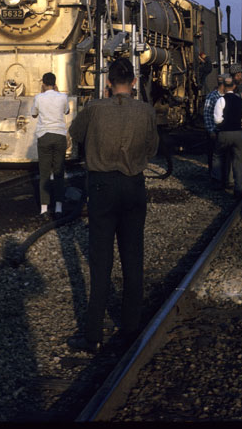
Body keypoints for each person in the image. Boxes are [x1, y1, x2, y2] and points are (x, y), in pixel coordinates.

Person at [67, 57, 158, 353]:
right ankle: (131, 327)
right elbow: (152, 148)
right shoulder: (146, 111)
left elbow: (75, 134)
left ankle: (93, 333)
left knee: (100, 260)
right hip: (133, 186)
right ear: (134, 82)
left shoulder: (94, 108)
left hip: (101, 187)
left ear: (108, 82)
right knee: (133, 257)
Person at [32, 71, 70, 217]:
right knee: (59, 172)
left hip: (44, 136)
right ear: (55, 84)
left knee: (44, 173)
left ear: (43, 83)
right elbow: (67, 111)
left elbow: (34, 114)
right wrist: (58, 92)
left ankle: (44, 208)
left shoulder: (38, 98)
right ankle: (59, 207)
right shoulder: (63, 97)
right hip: (59, 136)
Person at [213, 73, 242, 195]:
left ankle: (218, 182)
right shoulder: (241, 101)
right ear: (234, 87)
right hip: (238, 134)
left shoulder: (221, 100)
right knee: (239, 160)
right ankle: (238, 187)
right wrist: (237, 122)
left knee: (218, 156)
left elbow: (217, 120)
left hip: (224, 133)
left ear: (224, 87)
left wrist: (225, 123)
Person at [202, 75, 225, 183]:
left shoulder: (227, 96)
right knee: (213, 155)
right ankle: (214, 177)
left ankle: (221, 176)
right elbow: (207, 114)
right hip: (214, 131)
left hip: (224, 131)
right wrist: (211, 130)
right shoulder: (212, 96)